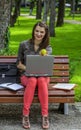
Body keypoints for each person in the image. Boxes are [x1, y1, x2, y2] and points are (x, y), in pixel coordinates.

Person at [17, 21, 52, 129]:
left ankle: (45, 115)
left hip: (42, 76)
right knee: (32, 80)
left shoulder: (47, 48)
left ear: (45, 34)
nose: (38, 34)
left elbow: (47, 66)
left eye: (41, 32)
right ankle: (25, 115)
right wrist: (27, 68)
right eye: (37, 31)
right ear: (33, 31)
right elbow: (18, 64)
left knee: (41, 80)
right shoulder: (24, 44)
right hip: (27, 76)